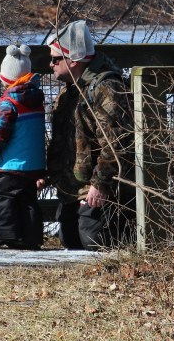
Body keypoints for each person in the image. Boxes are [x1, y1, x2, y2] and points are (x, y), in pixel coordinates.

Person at [37, 20, 135, 251]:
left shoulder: (107, 89)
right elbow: (64, 144)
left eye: (56, 59)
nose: (50, 64)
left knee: (95, 244)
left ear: (74, 60)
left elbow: (117, 143)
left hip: (99, 192)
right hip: (71, 191)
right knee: (70, 242)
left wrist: (100, 183)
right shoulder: (70, 92)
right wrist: (46, 175)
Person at [0, 44, 45, 250]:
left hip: (13, 163)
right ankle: (32, 237)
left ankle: (6, 233)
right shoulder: (36, 99)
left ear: (5, 77)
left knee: (3, 195)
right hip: (34, 163)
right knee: (27, 199)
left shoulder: (9, 103)